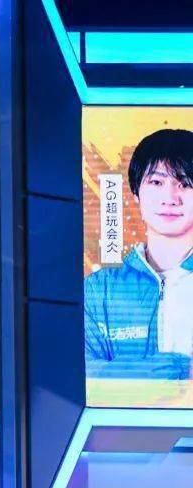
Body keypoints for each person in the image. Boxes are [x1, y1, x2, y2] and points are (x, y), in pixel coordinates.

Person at [85, 128, 193, 382]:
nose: (170, 198)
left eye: (185, 183)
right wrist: (183, 370)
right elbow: (82, 374)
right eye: (156, 182)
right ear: (136, 193)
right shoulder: (98, 290)